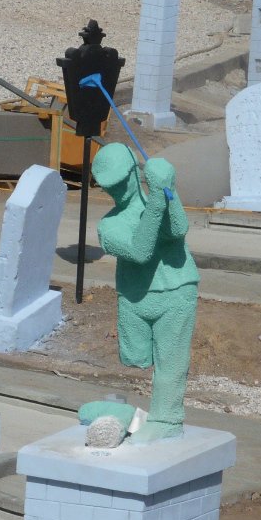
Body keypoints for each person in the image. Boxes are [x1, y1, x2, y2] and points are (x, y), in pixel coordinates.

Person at [78, 143, 199, 441]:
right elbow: (139, 250)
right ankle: (135, 414)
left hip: (175, 290)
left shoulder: (156, 199)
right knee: (135, 357)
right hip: (134, 298)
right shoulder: (109, 225)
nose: (116, 191)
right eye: (109, 187)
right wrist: (157, 200)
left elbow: (178, 229)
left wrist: (168, 189)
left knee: (170, 361)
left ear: (135, 171)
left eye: (121, 182)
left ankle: (167, 419)